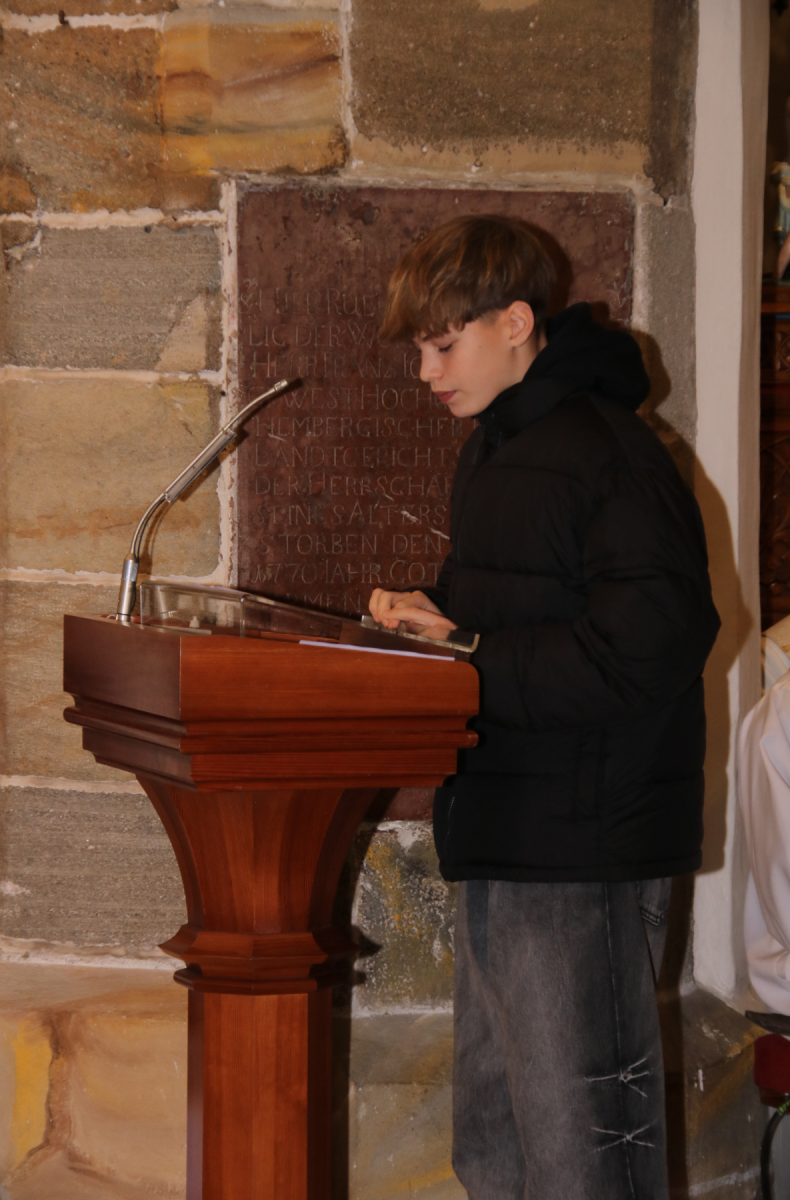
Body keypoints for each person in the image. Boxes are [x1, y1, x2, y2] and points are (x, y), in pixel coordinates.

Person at [368, 215, 720, 1200]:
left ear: (515, 322)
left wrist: (472, 655)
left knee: (585, 1161)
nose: (426, 372)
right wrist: (435, 620)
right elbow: (515, 609)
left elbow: (650, 645)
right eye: (420, 350)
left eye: (444, 345)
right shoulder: (498, 447)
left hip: (582, 851)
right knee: (496, 1151)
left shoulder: (609, 453)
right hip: (502, 831)